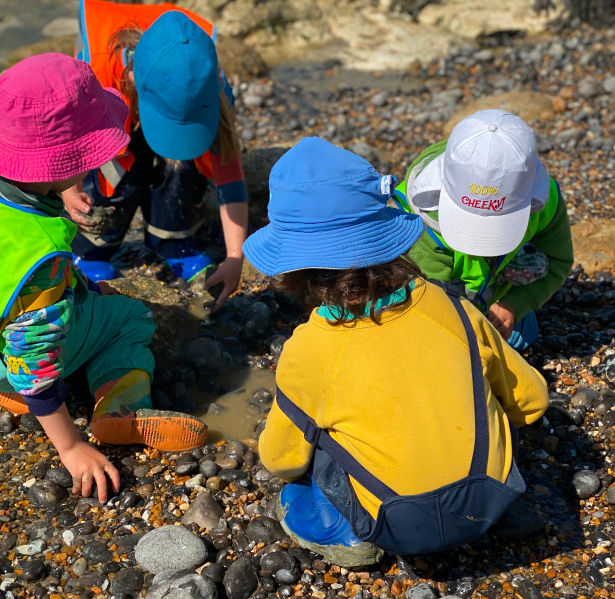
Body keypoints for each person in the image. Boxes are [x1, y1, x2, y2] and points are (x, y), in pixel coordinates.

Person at [242, 137, 548, 566]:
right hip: (489, 497)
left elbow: (281, 459)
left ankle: (346, 535)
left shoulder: (308, 350)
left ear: (293, 269)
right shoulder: (452, 307)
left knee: (306, 475)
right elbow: (531, 401)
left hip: (395, 520)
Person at [0, 54, 208, 504]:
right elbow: (31, 356)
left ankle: (15, 392)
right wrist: (71, 448)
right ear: (64, 163)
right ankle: (120, 406)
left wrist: (80, 286)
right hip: (17, 361)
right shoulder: (41, 251)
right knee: (131, 317)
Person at [64, 0, 249, 311]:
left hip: (163, 95)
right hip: (113, 109)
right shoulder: (93, 80)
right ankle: (93, 249)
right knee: (112, 170)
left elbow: (230, 176)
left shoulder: (208, 84)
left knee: (185, 165)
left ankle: (175, 240)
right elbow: (71, 142)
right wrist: (71, 192)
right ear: (135, 81)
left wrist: (234, 257)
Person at [393, 110, 574, 352]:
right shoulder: (418, 221)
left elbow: (557, 261)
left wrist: (514, 305)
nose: (482, 241)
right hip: (433, 292)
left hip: (497, 286)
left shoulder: (544, 202)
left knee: (517, 338)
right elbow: (429, 305)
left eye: (499, 223)